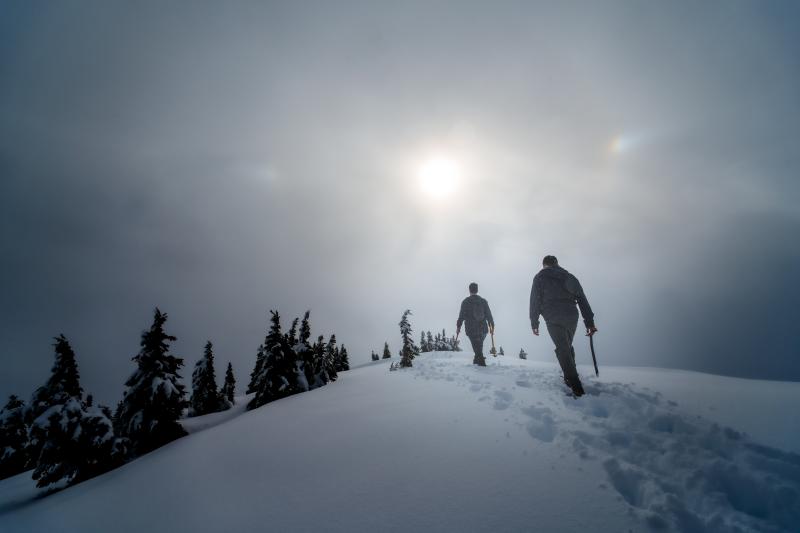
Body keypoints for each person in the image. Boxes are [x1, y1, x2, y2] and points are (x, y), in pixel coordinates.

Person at [530, 255, 597, 396]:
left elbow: (534, 301)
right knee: (566, 346)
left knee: (563, 348)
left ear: (544, 265)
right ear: (556, 263)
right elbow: (581, 298)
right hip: (571, 316)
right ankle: (570, 376)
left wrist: (534, 322)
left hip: (553, 317)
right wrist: (589, 322)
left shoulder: (539, 278)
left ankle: (575, 384)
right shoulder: (568, 276)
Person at [457, 282, 495, 366]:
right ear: (477, 290)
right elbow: (489, 315)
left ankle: (480, 363)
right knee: (478, 346)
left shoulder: (465, 302)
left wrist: (458, 327)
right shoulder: (483, 301)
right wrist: (492, 325)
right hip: (483, 329)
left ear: (469, 290)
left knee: (477, 348)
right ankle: (477, 361)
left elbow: (461, 316)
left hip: (471, 329)